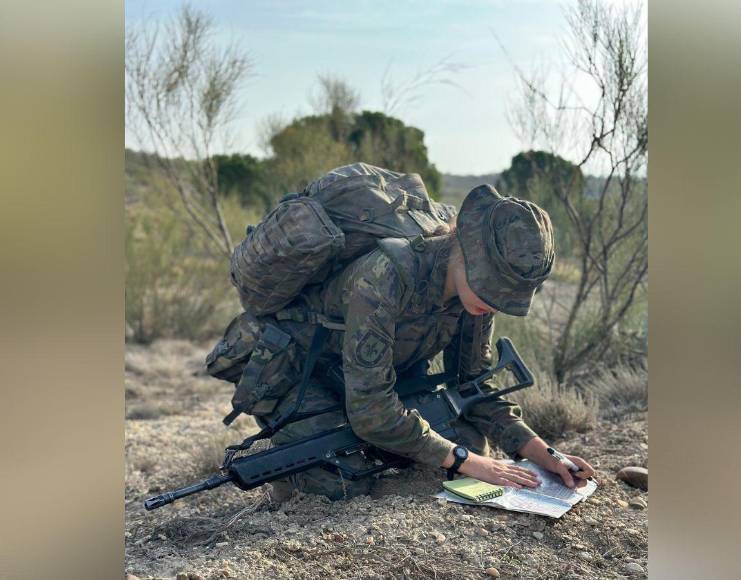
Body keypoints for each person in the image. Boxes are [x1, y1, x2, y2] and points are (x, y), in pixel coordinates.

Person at [230, 183, 595, 500]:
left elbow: (473, 386)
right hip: (301, 372)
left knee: (468, 441)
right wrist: (467, 461)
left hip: (374, 382)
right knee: (341, 484)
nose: (495, 300)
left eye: (505, 294)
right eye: (491, 285)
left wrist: (540, 452)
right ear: (465, 249)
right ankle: (296, 454)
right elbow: (372, 412)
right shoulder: (385, 276)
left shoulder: (476, 299)